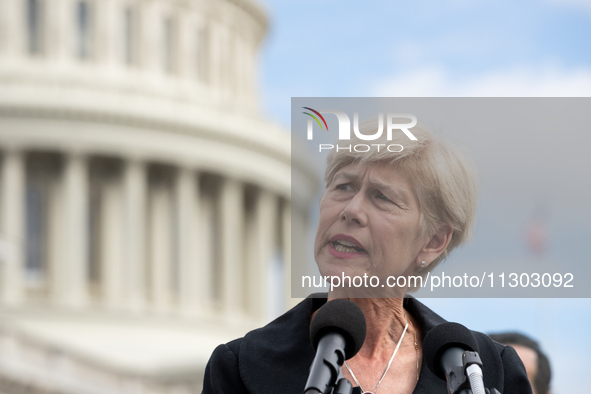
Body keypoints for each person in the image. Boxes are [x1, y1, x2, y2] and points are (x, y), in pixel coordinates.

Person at [202, 119, 532, 393]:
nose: (351, 210)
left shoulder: (489, 370)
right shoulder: (241, 369)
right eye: (343, 187)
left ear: (433, 241)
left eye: (381, 197)